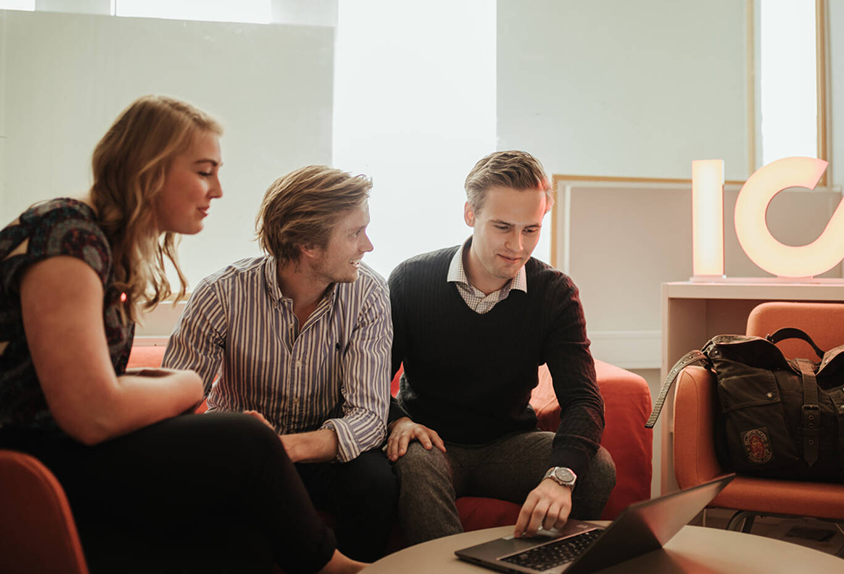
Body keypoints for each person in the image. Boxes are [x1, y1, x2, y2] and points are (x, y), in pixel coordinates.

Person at [0, 95, 364, 574]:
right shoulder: (66, 234)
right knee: (247, 438)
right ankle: (338, 568)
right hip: (29, 465)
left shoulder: (99, 246)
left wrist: (159, 388)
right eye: (203, 170)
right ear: (148, 169)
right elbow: (91, 413)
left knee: (245, 543)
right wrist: (189, 386)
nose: (217, 190)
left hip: (63, 452)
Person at [163, 165, 396, 562]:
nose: (368, 246)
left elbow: (369, 418)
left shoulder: (368, 293)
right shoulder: (221, 294)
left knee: (375, 482)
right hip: (240, 454)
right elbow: (172, 409)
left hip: (323, 451)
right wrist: (240, 444)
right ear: (308, 245)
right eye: (355, 233)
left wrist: (279, 449)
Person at [386, 150, 616, 545]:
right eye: (503, 227)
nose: (517, 246)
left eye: (531, 230)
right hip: (432, 440)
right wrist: (398, 420)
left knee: (596, 467)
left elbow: (583, 401)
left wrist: (560, 478)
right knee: (414, 459)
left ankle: (538, 564)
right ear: (470, 215)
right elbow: (370, 380)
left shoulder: (554, 293)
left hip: (509, 444)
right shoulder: (412, 279)